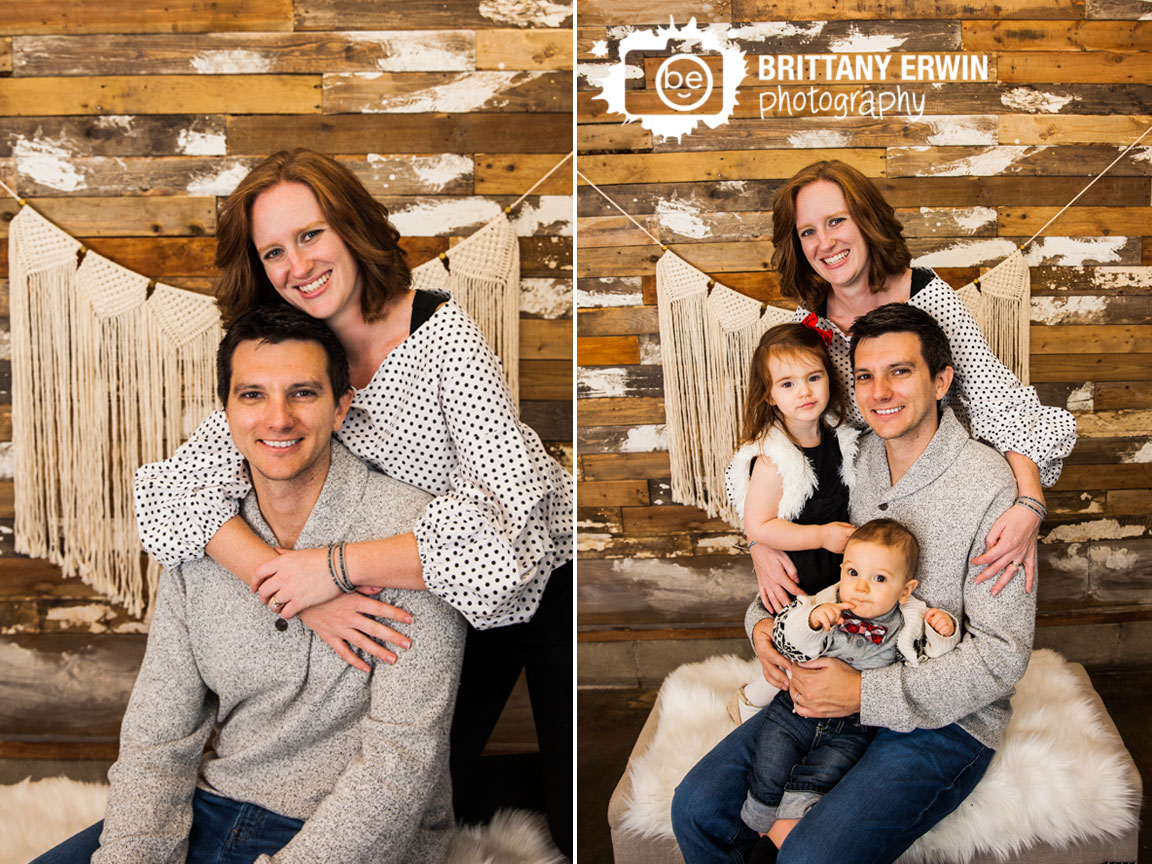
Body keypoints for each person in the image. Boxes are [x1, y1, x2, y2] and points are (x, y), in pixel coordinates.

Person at [132, 150, 573, 851]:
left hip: (541, 578)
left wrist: (328, 567)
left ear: (351, 228)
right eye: (273, 250)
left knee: (568, 800)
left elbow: (502, 537)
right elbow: (168, 497)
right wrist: (289, 585)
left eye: (310, 235)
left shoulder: (441, 336)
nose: (297, 265)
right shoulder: (294, 360)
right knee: (424, 791)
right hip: (426, 593)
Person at [35, 304, 464, 862]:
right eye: (253, 395)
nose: (277, 419)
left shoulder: (413, 537)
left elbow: (402, 763)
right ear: (228, 412)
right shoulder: (201, 534)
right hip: (213, 807)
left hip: (347, 829)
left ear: (341, 408)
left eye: (303, 393)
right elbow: (158, 736)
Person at [671, 304, 1037, 864]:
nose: (879, 391)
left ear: (941, 381)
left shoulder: (989, 486)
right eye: (865, 376)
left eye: (900, 371)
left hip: (943, 719)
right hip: (831, 690)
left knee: (810, 855)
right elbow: (815, 569)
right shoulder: (851, 456)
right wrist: (763, 626)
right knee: (697, 808)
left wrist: (866, 694)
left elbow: (1002, 655)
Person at [749, 160, 1074, 615]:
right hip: (852, 503)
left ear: (866, 220)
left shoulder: (929, 299)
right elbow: (777, 441)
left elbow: (994, 403)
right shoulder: (806, 324)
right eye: (808, 232)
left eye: (836, 221)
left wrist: (1028, 503)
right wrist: (758, 539)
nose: (824, 243)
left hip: (939, 487)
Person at [741, 519, 960, 855]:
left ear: (905, 589)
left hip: (855, 724)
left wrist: (944, 631)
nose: (860, 588)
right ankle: (759, 824)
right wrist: (813, 621)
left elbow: (930, 658)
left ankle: (780, 838)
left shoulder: (910, 618)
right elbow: (788, 636)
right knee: (770, 763)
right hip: (795, 709)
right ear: (842, 570)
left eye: (880, 579)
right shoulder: (823, 603)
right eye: (853, 573)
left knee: (824, 775)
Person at [723, 321, 860, 723]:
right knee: (797, 646)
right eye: (787, 384)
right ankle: (752, 700)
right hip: (799, 578)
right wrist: (820, 535)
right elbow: (759, 527)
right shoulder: (774, 458)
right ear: (769, 395)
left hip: (833, 573)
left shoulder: (840, 439)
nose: (804, 391)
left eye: (813, 377)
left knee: (837, 639)